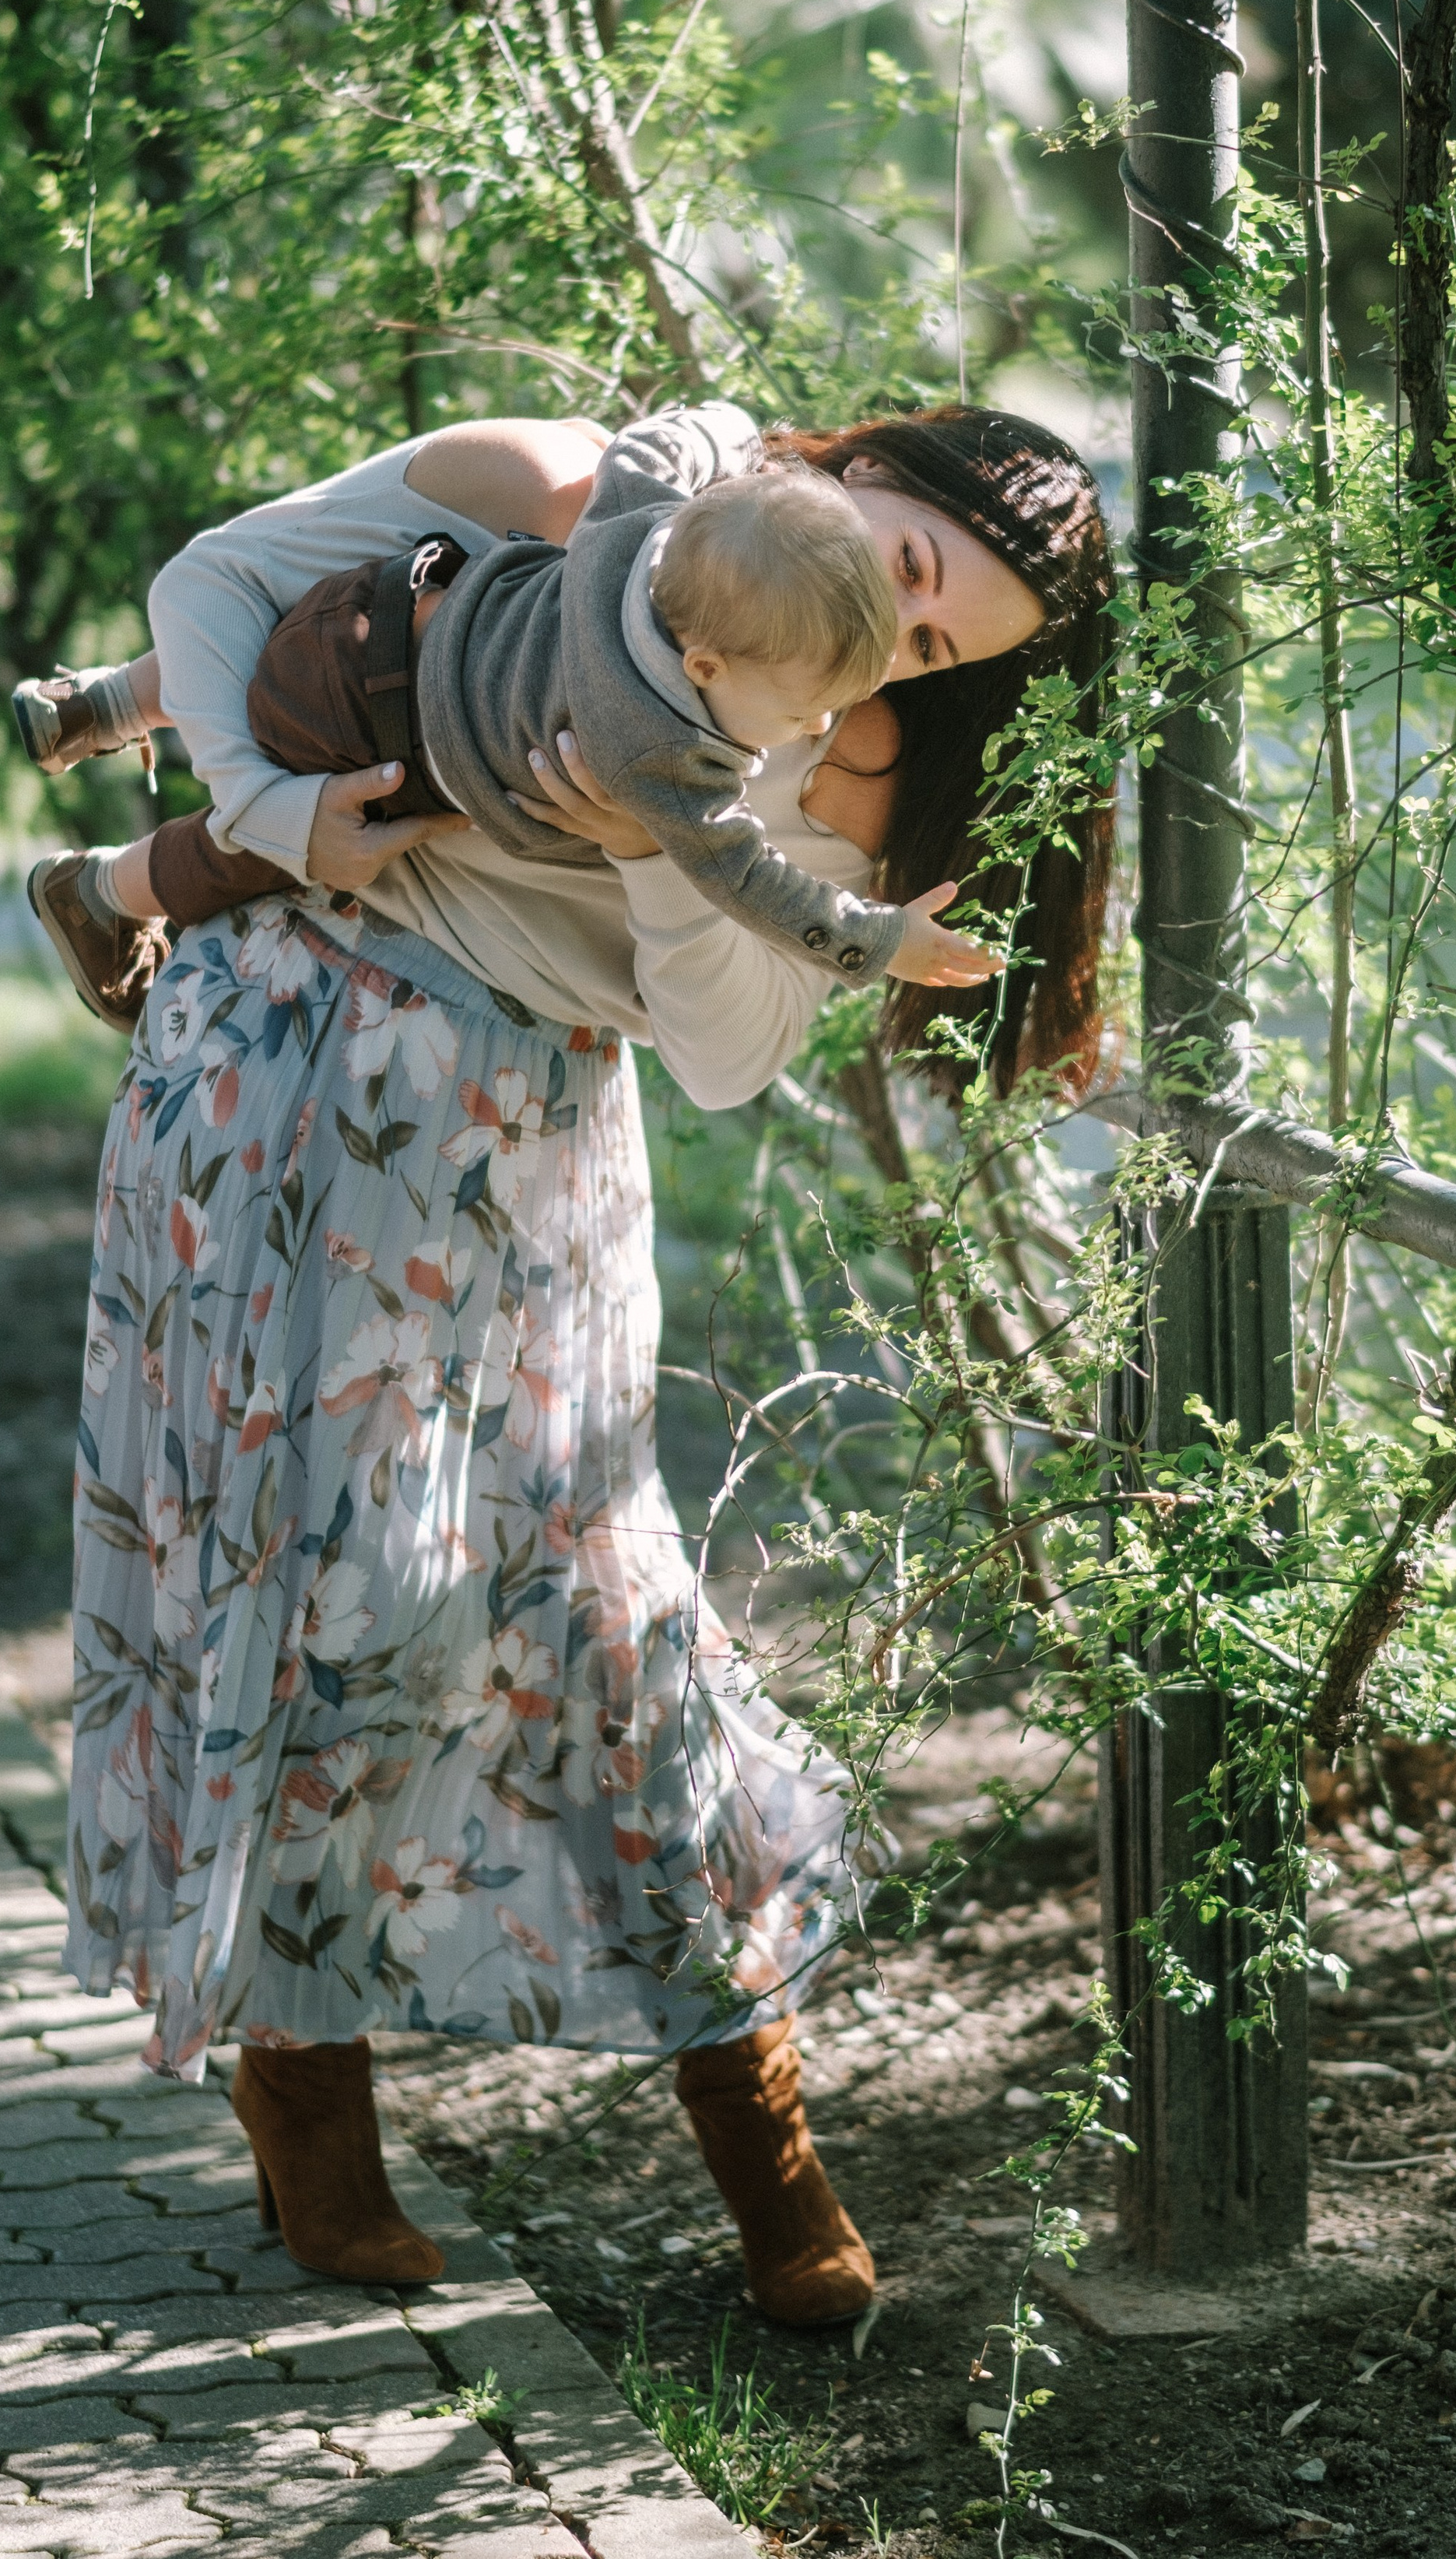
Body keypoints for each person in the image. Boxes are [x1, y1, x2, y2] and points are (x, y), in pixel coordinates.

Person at [58, 402, 1112, 2329]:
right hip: (294, 1050)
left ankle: (761, 2138)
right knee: (316, 1587)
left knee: (602, 1612)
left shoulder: (863, 771)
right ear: (854, 472)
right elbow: (215, 588)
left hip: (542, 1128)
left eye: (944, 647)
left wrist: (651, 848)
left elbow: (724, 1048)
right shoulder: (570, 490)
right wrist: (266, 819)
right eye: (900, 577)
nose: (895, 646)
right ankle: (303, 2083)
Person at [19, 414, 998, 1029]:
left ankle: (97, 704)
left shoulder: (637, 533)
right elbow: (756, 886)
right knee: (265, 846)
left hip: (374, 609)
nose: (823, 720)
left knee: (275, 630)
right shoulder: (662, 760)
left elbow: (656, 443)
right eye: (805, 705)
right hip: (379, 741)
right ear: (705, 669)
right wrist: (881, 944)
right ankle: (99, 894)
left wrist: (729, 433)